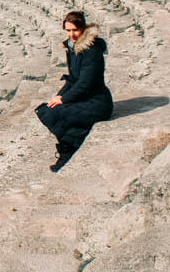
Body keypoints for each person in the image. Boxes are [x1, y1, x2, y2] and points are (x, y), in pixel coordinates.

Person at [35, 11, 113, 172]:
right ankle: (67, 149)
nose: (72, 34)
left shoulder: (91, 51)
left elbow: (85, 84)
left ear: (83, 29)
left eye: (75, 30)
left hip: (98, 102)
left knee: (56, 114)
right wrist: (59, 95)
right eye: (68, 30)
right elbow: (73, 78)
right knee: (46, 109)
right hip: (86, 97)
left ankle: (66, 151)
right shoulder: (73, 48)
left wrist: (63, 100)